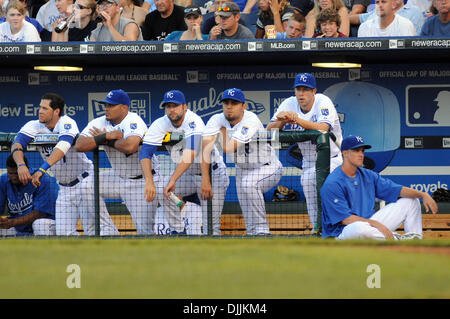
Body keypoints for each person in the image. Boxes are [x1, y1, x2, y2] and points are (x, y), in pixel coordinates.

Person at [11, 93, 118, 236]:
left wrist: (42, 169)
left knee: (91, 232)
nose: (40, 111)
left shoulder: (67, 122)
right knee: (64, 234)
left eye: (44, 108)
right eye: (40, 107)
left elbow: (62, 146)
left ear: (56, 111)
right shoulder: (34, 125)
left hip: (84, 182)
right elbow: (16, 143)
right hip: (64, 188)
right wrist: (20, 164)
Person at [140, 90, 229, 235]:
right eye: (168, 106)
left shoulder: (194, 121)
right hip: (189, 174)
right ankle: (178, 230)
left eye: (175, 106)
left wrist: (174, 179)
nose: (171, 110)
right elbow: (145, 153)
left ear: (184, 107)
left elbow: (191, 152)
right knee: (163, 188)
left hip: (212, 174)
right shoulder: (160, 123)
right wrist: (149, 181)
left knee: (211, 227)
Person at [75, 89, 160, 235]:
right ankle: (109, 230)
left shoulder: (133, 120)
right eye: (106, 105)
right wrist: (106, 136)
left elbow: (130, 146)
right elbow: (79, 145)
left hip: (142, 181)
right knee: (87, 185)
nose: (107, 109)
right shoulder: (99, 122)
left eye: (111, 105)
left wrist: (106, 141)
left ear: (124, 108)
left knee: (146, 233)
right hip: (118, 177)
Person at [320, 135, 439, 240]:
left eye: (362, 151)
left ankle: (414, 243)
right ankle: (399, 239)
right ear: (344, 153)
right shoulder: (333, 183)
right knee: (359, 229)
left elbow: (397, 190)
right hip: (343, 233)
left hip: (370, 224)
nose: (361, 154)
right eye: (356, 150)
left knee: (411, 201)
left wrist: (423, 194)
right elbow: (346, 220)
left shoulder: (368, 175)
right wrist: (377, 224)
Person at [267, 73, 343, 232]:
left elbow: (323, 128)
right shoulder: (289, 103)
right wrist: (282, 120)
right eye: (298, 89)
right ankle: (317, 228)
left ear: (314, 90)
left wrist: (296, 120)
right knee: (308, 185)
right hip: (309, 161)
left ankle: (333, 227)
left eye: (306, 89)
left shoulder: (323, 101)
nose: (301, 93)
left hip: (333, 159)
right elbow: (268, 130)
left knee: (325, 190)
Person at [202, 88, 283, 235]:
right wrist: (206, 180)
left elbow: (228, 148)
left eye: (234, 103)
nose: (229, 106)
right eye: (226, 102)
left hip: (267, 166)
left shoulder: (250, 120)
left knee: (249, 183)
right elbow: (205, 147)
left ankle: (263, 232)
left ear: (243, 106)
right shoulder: (217, 119)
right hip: (242, 168)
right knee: (247, 211)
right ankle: (254, 235)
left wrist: (223, 133)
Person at [0, 155, 56, 236]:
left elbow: (39, 214)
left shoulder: (41, 178)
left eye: (16, 173)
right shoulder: (4, 180)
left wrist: (12, 222)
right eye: (10, 173)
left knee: (39, 224)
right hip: (18, 226)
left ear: (26, 169)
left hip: (46, 224)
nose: (13, 177)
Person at [351, 0, 424, 36]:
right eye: (377, 2)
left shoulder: (409, 20)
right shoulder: (373, 15)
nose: (380, 5)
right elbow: (358, 18)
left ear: (393, 4)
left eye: (383, 2)